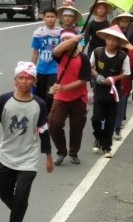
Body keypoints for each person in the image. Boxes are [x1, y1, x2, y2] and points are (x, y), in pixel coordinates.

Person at [0, 61, 53, 222]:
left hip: (28, 159)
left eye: (28, 78)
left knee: (21, 197)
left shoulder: (39, 104)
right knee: (3, 192)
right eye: (21, 77)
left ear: (34, 81)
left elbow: (44, 130)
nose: (24, 81)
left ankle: (17, 216)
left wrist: (48, 156)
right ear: (15, 80)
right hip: (7, 156)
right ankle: (19, 212)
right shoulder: (4, 99)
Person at [49, 27, 91, 166]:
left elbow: (83, 80)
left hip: (78, 97)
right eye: (64, 40)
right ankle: (61, 151)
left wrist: (63, 87)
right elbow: (55, 50)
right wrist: (72, 39)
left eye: (69, 39)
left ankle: (73, 152)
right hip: (61, 98)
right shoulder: (59, 55)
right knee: (54, 124)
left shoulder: (83, 58)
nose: (66, 42)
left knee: (76, 127)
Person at [91, 25, 131, 157]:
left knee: (110, 121)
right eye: (109, 39)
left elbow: (126, 73)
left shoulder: (123, 56)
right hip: (99, 90)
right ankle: (98, 137)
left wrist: (113, 79)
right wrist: (97, 75)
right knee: (96, 119)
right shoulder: (97, 52)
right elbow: (90, 66)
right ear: (105, 39)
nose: (112, 42)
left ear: (119, 42)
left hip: (114, 93)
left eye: (115, 40)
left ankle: (107, 147)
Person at [31, 7, 62, 113]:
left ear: (56, 18)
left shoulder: (61, 34)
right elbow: (35, 52)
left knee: (50, 96)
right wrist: (32, 70)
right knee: (40, 97)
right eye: (47, 17)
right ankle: (42, 119)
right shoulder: (38, 33)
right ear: (43, 18)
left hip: (55, 70)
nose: (50, 19)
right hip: (41, 70)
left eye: (52, 17)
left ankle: (49, 116)